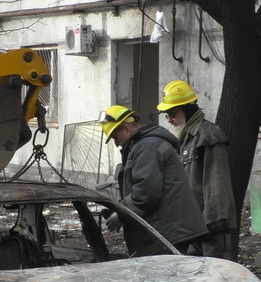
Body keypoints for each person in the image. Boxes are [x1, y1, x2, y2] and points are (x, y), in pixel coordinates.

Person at [98, 105, 208, 256]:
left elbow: (146, 193)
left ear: (127, 128)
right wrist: (117, 208)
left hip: (169, 232)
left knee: (164, 278)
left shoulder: (146, 147)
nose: (116, 144)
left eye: (115, 137)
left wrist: (121, 214)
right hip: (167, 230)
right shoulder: (143, 145)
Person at [158, 80, 238, 261]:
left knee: (217, 276)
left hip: (211, 226)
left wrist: (214, 222)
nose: (169, 119)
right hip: (193, 224)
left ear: (187, 108)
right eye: (166, 115)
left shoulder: (208, 134)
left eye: (172, 113)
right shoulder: (184, 136)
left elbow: (217, 182)